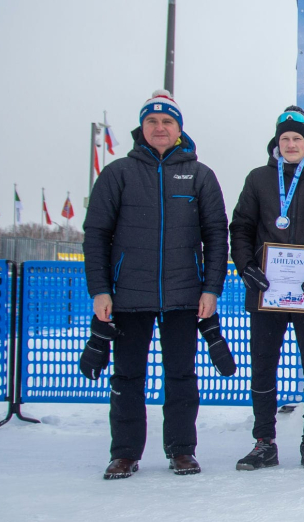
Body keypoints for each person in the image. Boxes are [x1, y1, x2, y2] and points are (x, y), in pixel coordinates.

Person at [82, 90, 228, 479]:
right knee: (127, 377)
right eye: (152, 121)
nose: (159, 128)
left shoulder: (199, 175)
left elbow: (216, 236)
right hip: (128, 296)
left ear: (179, 129)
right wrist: (99, 290)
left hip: (184, 297)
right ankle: (125, 453)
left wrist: (211, 288)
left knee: (181, 376)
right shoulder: (117, 173)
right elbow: (95, 234)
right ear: (141, 127)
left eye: (167, 122)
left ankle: (181, 450)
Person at [229, 108, 304, 470]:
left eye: (297, 138)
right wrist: (246, 268)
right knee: (263, 366)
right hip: (266, 291)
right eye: (285, 138)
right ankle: (263, 441)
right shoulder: (258, 179)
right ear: (276, 143)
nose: (291, 144)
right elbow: (240, 228)